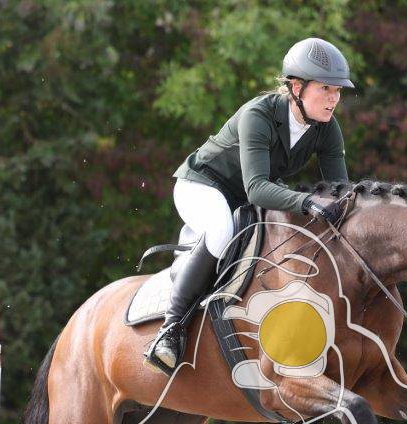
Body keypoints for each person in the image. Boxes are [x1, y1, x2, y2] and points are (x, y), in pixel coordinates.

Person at [144, 37, 355, 373]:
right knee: (221, 231)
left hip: (244, 195)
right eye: (326, 89)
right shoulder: (258, 114)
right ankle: (170, 330)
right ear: (296, 87)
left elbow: (340, 191)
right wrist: (308, 202)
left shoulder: (326, 129)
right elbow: (257, 189)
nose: (334, 98)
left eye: (338, 90)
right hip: (202, 185)